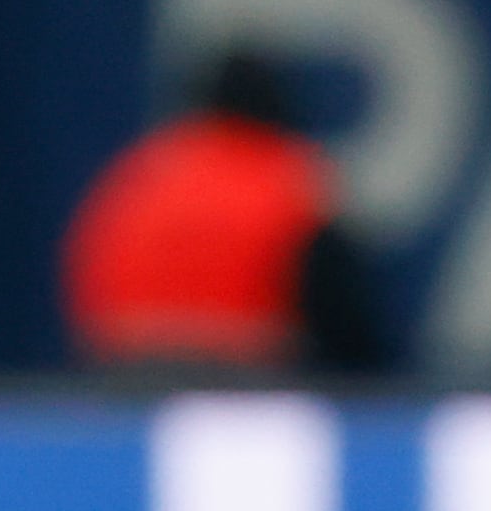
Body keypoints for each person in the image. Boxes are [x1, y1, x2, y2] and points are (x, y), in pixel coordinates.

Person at [59, 49, 387, 370]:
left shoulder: (137, 177)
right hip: (246, 393)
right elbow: (345, 327)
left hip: (123, 393)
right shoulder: (290, 184)